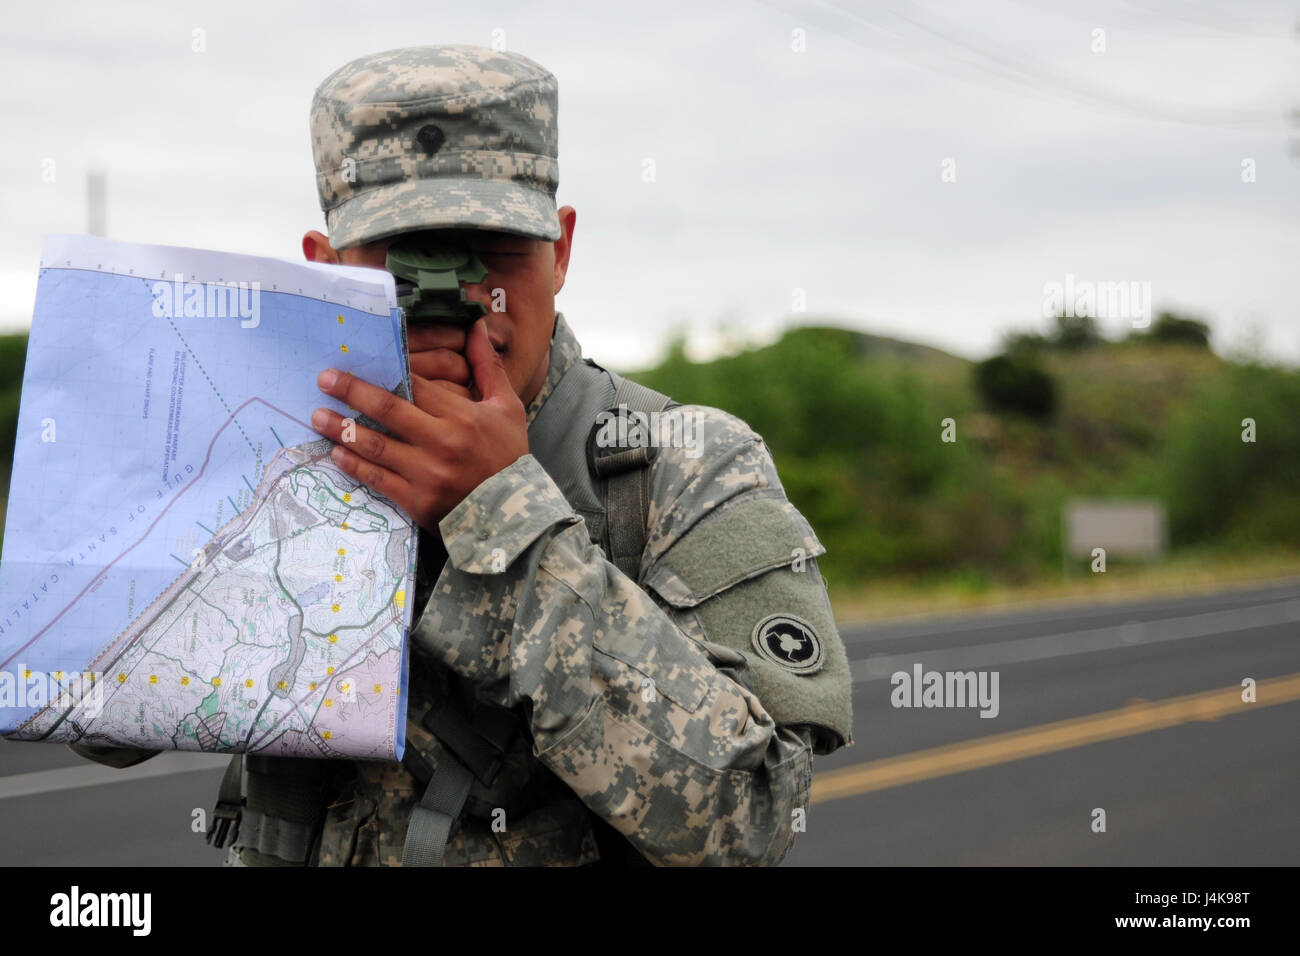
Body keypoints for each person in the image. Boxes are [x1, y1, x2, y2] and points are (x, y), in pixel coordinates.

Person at [74, 43, 853, 867]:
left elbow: (752, 821)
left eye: (495, 247)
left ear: (562, 249)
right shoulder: (264, 450)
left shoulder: (682, 468)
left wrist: (506, 524)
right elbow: (96, 720)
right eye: (405, 254)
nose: (453, 300)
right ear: (325, 265)